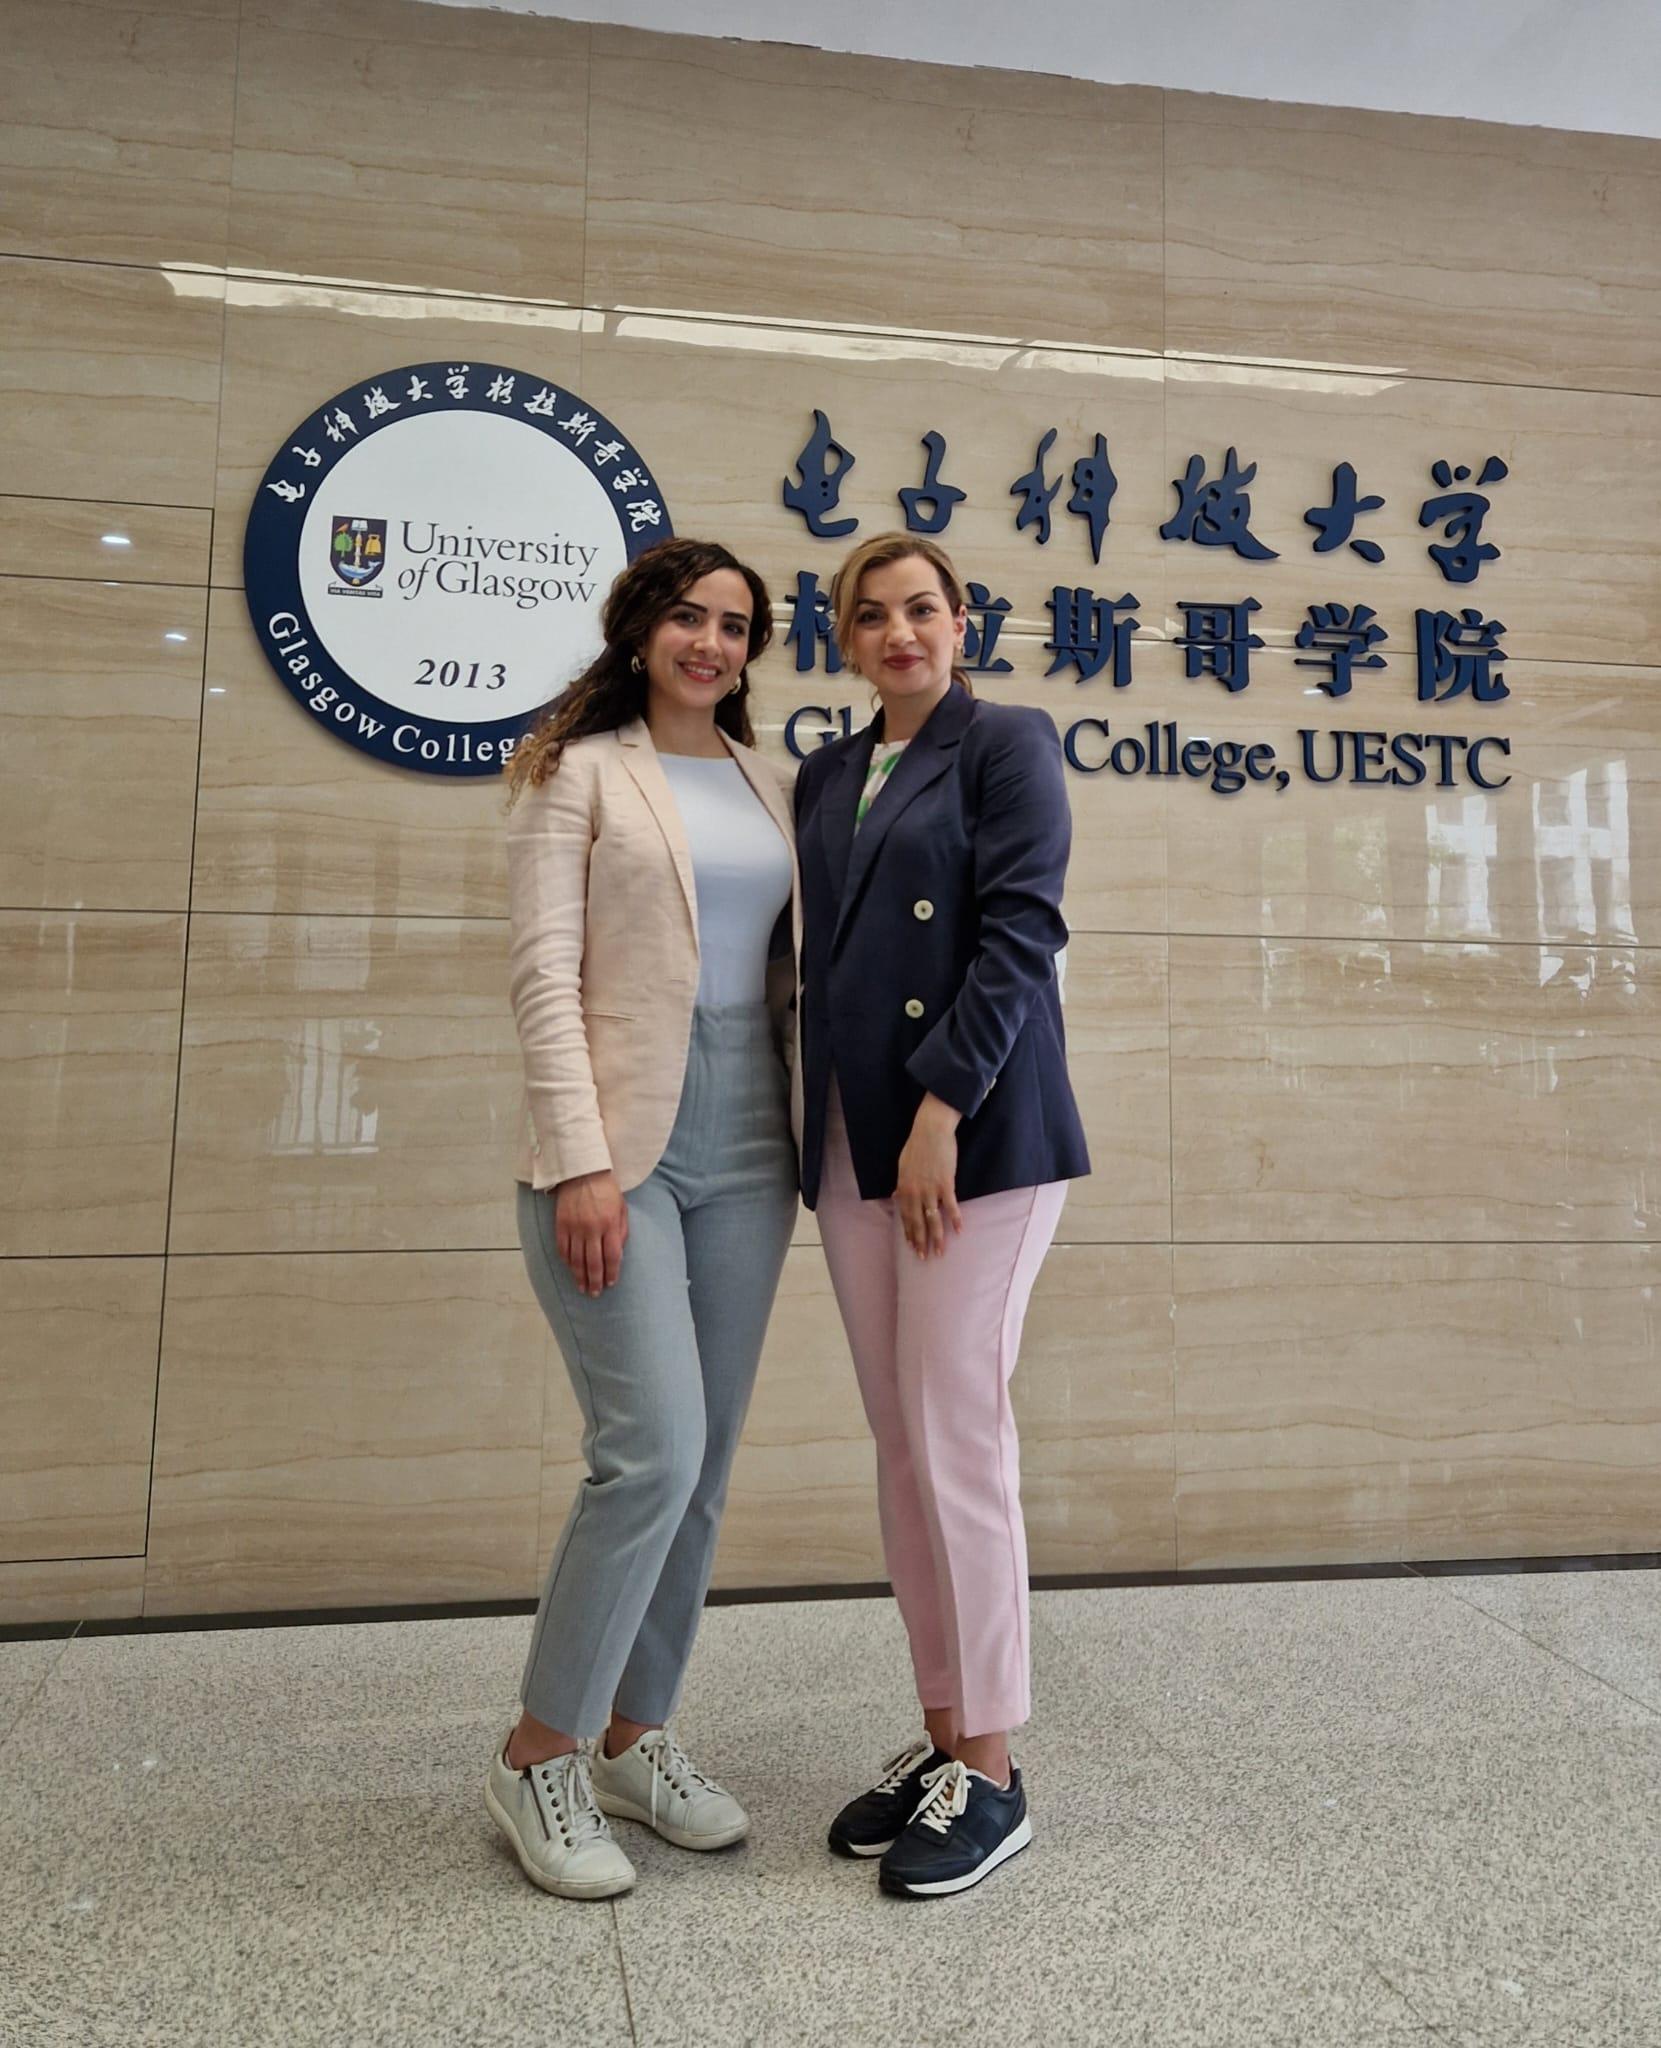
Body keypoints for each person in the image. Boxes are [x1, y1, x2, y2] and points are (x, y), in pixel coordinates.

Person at [488, 538, 800, 1900]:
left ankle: (635, 1735)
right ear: (637, 629)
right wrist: (581, 1160)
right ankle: (534, 1750)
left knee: (708, 1460)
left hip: (753, 1143)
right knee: (648, 1454)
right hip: (619, 1147)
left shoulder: (768, 780)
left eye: (735, 626)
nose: (712, 643)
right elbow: (542, 976)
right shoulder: (578, 773)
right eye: (688, 616)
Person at [793, 531, 1089, 1900]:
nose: (900, 631)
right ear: (844, 641)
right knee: (900, 1445)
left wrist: (936, 1115)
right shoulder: (826, 773)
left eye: (921, 608)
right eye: (872, 616)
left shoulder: (1008, 744)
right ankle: (938, 1737)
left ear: (960, 621)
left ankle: (997, 1767)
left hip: (968, 1135)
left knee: (958, 1432)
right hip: (852, 1140)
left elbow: (1020, 932)